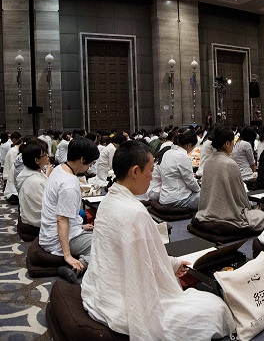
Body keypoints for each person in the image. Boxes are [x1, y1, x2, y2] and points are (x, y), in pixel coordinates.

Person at [81, 140, 236, 339]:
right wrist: (172, 265)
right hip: (122, 303)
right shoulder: (134, 212)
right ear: (135, 171)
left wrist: (172, 264)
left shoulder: (108, 201)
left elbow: (139, 255)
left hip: (101, 292)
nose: (153, 176)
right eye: (151, 170)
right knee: (215, 308)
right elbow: (148, 260)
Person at [39, 137, 100, 282]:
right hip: (58, 237)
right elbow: (61, 220)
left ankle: (81, 261)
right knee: (106, 245)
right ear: (82, 159)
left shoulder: (59, 168)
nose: (90, 166)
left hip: (49, 232)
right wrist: (67, 256)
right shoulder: (69, 185)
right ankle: (78, 266)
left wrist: (80, 226)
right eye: (90, 163)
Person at [195, 128, 264, 232]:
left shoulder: (209, 161)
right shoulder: (229, 164)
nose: (234, 144)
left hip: (207, 209)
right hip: (226, 212)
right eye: (233, 141)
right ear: (227, 143)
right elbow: (240, 195)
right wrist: (248, 207)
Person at [17, 139, 51, 236]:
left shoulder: (33, 173)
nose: (48, 156)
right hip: (34, 225)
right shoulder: (34, 181)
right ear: (36, 160)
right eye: (45, 154)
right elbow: (46, 209)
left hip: (30, 219)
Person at [159, 132, 201, 209]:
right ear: (189, 145)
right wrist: (199, 189)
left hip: (164, 197)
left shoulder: (167, 153)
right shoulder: (182, 156)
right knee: (208, 196)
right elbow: (190, 181)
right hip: (177, 199)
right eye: (193, 147)